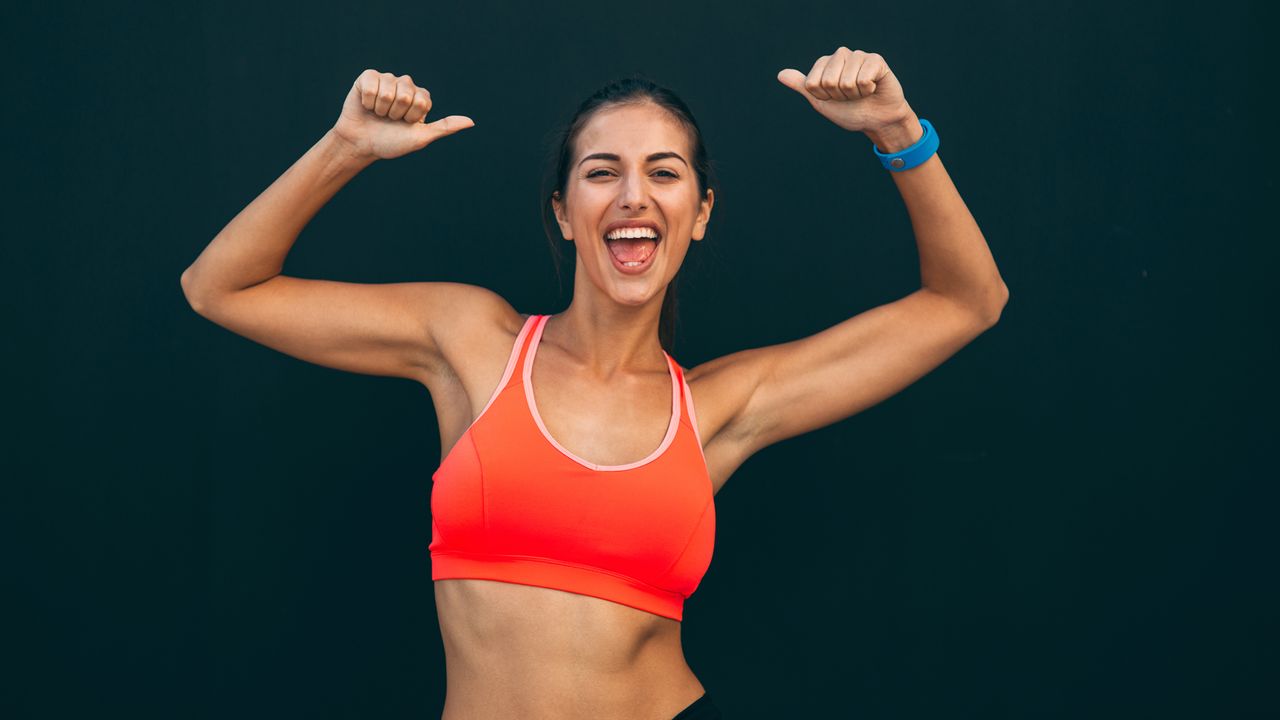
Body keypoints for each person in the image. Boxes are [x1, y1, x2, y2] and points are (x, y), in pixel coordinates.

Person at [181, 47, 1007, 720]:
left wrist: (897, 132)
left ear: (703, 210)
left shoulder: (721, 407)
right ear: (563, 211)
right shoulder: (471, 343)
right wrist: (346, 149)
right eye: (603, 172)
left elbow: (968, 302)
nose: (634, 195)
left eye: (665, 172)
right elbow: (221, 287)